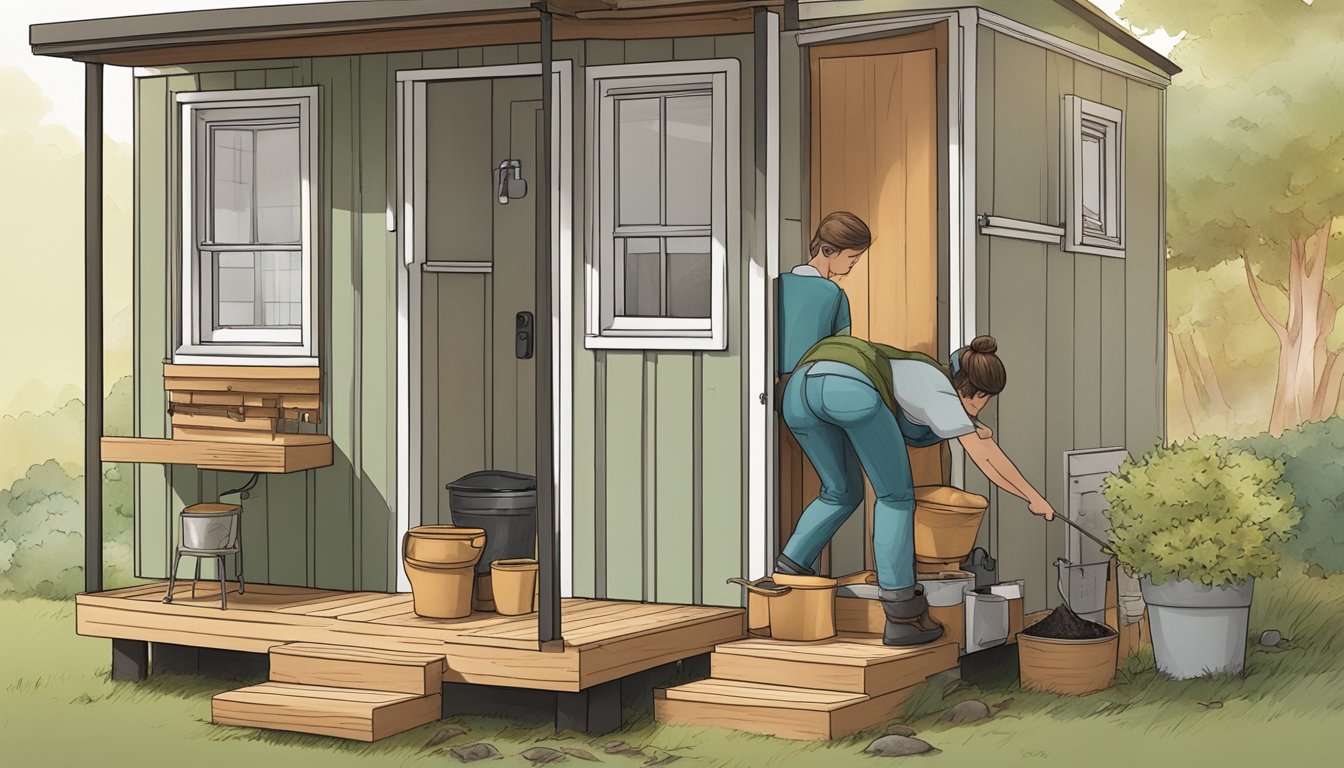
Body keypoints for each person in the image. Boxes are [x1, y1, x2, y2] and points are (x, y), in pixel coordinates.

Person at [773, 334, 1056, 646]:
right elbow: (987, 458)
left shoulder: (924, 375)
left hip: (799, 392)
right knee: (895, 498)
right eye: (982, 400)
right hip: (851, 391)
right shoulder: (941, 393)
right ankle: (903, 617)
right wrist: (1034, 498)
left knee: (840, 491)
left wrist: (970, 426)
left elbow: (923, 423)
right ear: (976, 393)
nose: (980, 408)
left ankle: (789, 574)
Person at [777, 212, 872, 375]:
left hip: (774, 383)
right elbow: (841, 351)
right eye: (853, 256)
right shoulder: (834, 294)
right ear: (828, 250)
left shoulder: (779, 283)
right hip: (813, 381)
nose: (854, 262)